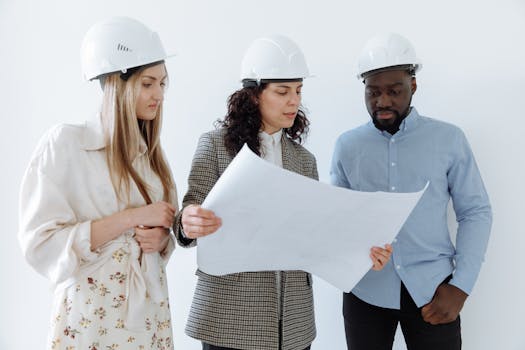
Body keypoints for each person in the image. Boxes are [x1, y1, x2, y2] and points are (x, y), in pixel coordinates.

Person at [173, 35, 392, 350]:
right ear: (253, 96)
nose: (294, 101)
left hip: (292, 322)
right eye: (282, 91)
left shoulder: (304, 161)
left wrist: (363, 255)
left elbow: (317, 237)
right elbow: (188, 215)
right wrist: (187, 222)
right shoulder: (216, 146)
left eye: (299, 90)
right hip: (230, 316)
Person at [18, 17, 178, 349]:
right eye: (148, 84)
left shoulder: (153, 157)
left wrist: (161, 239)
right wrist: (132, 218)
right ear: (115, 83)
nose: (159, 95)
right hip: (91, 317)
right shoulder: (66, 144)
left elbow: (165, 235)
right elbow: (39, 243)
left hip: (149, 314)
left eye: (163, 84)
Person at [330, 32, 493, 350]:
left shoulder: (449, 139)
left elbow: (476, 211)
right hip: (365, 292)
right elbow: (337, 220)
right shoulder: (347, 146)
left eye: (394, 91)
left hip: (435, 292)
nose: (383, 102)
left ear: (413, 86)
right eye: (373, 92)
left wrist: (461, 287)